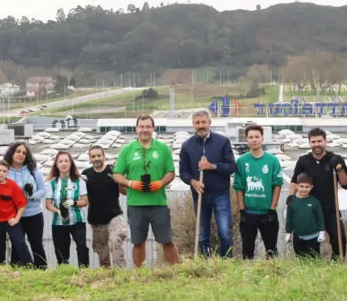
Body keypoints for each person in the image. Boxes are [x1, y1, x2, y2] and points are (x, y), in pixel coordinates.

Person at [113, 115, 180, 267]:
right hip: (136, 204)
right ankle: (139, 271)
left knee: (167, 240)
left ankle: (177, 270)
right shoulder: (127, 150)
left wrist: (160, 183)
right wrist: (130, 183)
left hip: (159, 203)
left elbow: (171, 172)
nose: (144, 130)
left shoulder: (163, 149)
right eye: (141, 126)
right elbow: (117, 175)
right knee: (138, 242)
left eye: (148, 127)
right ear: (136, 129)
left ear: (153, 129)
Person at [179, 109, 235, 257]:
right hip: (200, 196)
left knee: (224, 232)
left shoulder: (222, 142)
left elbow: (231, 167)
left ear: (210, 123)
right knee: (203, 234)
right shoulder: (187, 146)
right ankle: (205, 264)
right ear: (193, 124)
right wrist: (193, 182)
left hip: (220, 194)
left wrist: (212, 166)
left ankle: (227, 264)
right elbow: (183, 172)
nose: (201, 125)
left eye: (204, 122)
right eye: (197, 123)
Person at [290, 128, 347, 259]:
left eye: (319, 141)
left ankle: (336, 266)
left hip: (330, 209)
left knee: (339, 238)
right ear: (309, 143)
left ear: (325, 141)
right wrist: (291, 199)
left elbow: (345, 184)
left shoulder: (335, 159)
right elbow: (294, 182)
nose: (316, 144)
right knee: (310, 242)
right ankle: (312, 267)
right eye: (313, 141)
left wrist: (339, 168)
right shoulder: (303, 161)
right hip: (309, 209)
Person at [233, 124, 283, 259]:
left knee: (271, 251)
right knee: (247, 251)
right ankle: (247, 277)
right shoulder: (241, 161)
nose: (254, 140)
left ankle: (273, 276)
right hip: (249, 213)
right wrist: (242, 211)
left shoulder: (273, 161)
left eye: (257, 137)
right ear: (247, 140)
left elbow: (277, 185)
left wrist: (272, 209)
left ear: (262, 138)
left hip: (268, 213)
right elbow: (238, 187)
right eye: (250, 137)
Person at [0, 160, 33, 266]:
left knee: (20, 244)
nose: (1, 173)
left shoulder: (12, 185)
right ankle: (1, 271)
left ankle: (30, 267)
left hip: (10, 221)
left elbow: (22, 203)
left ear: (7, 173)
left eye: (4, 171)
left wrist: (17, 219)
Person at [82, 145, 127, 268]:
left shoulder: (113, 171)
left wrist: (121, 183)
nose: (96, 158)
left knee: (115, 240)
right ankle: (106, 276)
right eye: (93, 156)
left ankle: (120, 273)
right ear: (90, 158)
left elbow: (124, 190)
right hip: (96, 220)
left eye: (99, 155)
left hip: (115, 216)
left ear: (104, 156)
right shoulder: (86, 175)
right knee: (102, 252)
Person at [4, 142, 48, 268]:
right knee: (17, 245)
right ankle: (17, 272)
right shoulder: (5, 171)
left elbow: (43, 190)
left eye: (24, 153)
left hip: (34, 214)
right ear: (11, 152)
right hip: (15, 216)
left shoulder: (33, 170)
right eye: (18, 151)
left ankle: (42, 270)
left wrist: (32, 197)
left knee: (37, 245)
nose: (21, 154)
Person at [45, 151, 89, 267]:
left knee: (82, 248)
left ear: (71, 164)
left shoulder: (79, 181)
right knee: (61, 253)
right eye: (60, 161)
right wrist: (58, 211)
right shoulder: (51, 183)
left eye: (66, 161)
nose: (63, 163)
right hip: (59, 223)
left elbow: (85, 202)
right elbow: (48, 204)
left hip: (78, 221)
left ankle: (84, 273)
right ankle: (65, 275)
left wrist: (73, 203)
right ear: (56, 164)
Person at [284, 174, 326, 258]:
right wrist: (288, 232)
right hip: (298, 238)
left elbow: (320, 218)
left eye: (307, 187)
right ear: (297, 186)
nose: (304, 189)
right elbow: (289, 218)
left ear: (311, 187)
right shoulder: (291, 201)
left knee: (314, 260)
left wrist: (322, 232)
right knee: (300, 260)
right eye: (301, 186)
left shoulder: (314, 202)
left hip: (313, 238)